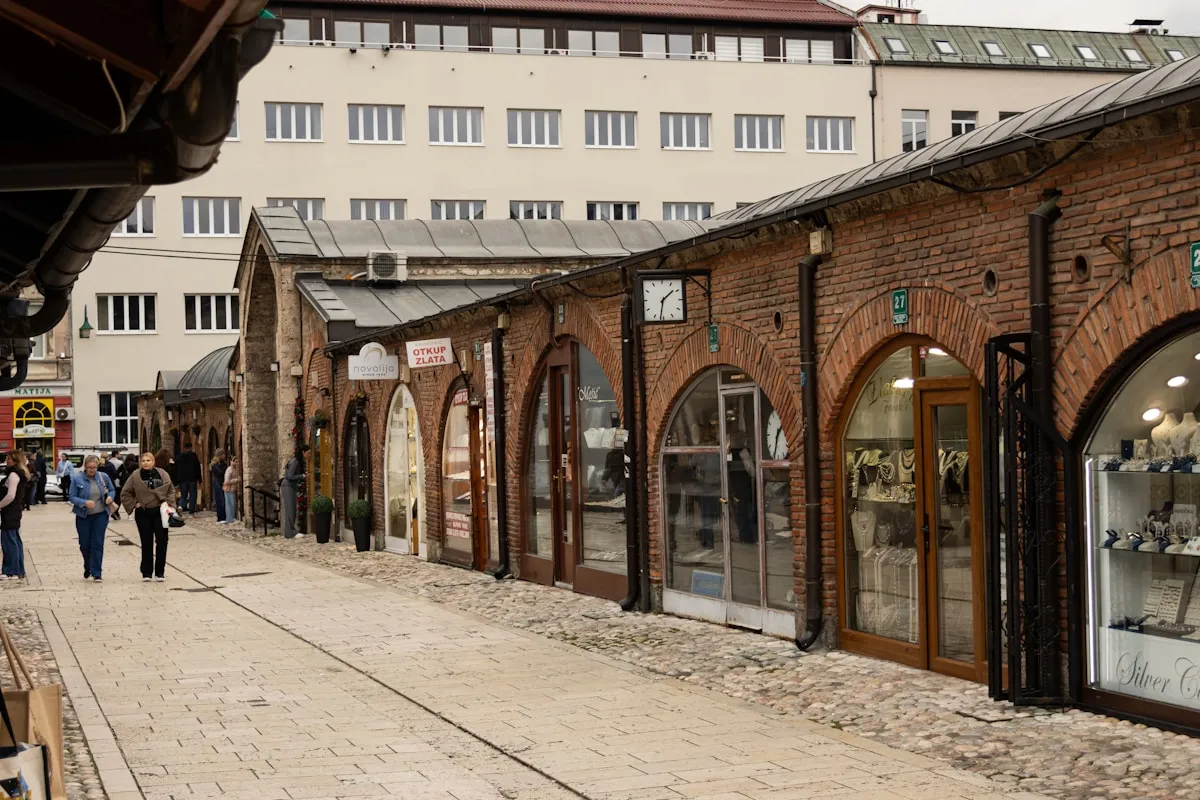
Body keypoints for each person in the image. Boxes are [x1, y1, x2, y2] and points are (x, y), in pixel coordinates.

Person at [121, 452, 176, 582]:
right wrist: (135, 504)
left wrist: (169, 504)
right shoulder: (135, 476)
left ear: (153, 461)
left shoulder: (162, 474)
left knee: (162, 541)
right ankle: (146, 572)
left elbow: (171, 490)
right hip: (143, 513)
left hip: (160, 512)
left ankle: (160, 572)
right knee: (146, 542)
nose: (145, 462)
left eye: (148, 460)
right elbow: (125, 493)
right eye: (143, 460)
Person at [69, 455, 116, 582]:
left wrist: (110, 497)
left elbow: (112, 490)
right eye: (89, 468)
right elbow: (72, 497)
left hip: (100, 514)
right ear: (85, 467)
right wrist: (84, 502)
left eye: (94, 467)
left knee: (97, 543)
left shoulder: (103, 477)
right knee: (84, 544)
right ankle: (88, 565)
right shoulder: (77, 479)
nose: (92, 470)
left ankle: (97, 572)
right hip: (83, 516)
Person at [0, 451, 30, 582]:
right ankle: (18, 569)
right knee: (15, 539)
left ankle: (11, 570)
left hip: (10, 511)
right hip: (15, 510)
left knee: (9, 541)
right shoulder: (19, 474)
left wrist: (0, 505)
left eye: (9, 459)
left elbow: (10, 495)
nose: (7, 461)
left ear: (15, 461)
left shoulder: (13, 475)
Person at [280, 445, 308, 539]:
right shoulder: (295, 461)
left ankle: (290, 531)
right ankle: (290, 532)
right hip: (288, 486)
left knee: (291, 509)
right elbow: (289, 476)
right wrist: (302, 476)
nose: (308, 455)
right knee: (290, 509)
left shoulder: (295, 461)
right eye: (307, 452)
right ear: (303, 452)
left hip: (290, 486)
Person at [174, 442, 202, 514]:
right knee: (193, 494)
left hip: (182, 479)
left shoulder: (178, 457)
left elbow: (175, 469)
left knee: (183, 495)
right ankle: (191, 509)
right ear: (191, 448)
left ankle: (180, 506)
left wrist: (176, 480)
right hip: (192, 479)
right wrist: (200, 479)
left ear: (184, 448)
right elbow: (197, 468)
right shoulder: (194, 456)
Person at [210, 450, 228, 524]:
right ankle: (221, 517)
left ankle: (224, 516)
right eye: (223, 454)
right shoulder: (214, 464)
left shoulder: (223, 463)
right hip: (217, 482)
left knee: (223, 499)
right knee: (220, 500)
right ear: (220, 455)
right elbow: (220, 472)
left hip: (221, 482)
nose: (225, 456)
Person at [223, 456, 240, 525]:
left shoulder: (234, 469)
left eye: (238, 462)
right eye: (236, 462)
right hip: (228, 489)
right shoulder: (229, 469)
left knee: (232, 503)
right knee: (230, 504)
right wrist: (236, 480)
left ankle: (231, 518)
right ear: (232, 462)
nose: (237, 463)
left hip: (232, 489)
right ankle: (230, 519)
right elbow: (226, 481)